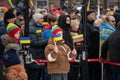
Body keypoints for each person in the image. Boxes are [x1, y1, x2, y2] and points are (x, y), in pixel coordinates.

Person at [28, 13, 47, 80]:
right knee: (34, 76)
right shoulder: (31, 29)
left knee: (39, 75)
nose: (43, 20)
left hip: (39, 54)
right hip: (35, 55)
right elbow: (33, 43)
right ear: (37, 20)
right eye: (41, 18)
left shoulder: (39, 27)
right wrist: (46, 41)